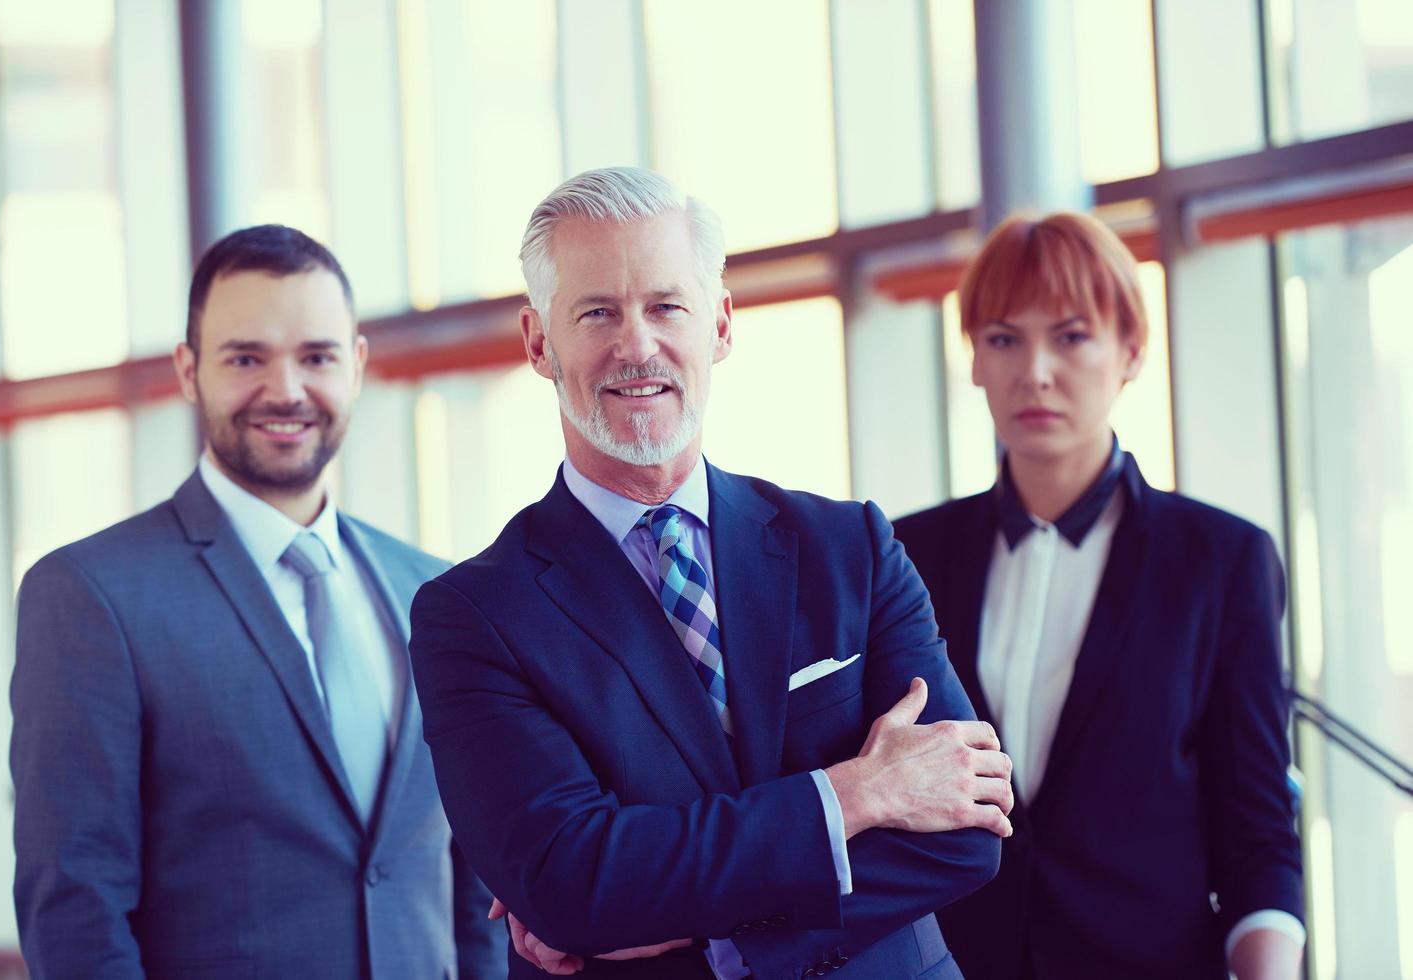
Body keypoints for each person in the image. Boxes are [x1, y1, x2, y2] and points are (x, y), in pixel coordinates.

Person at [408, 167, 1010, 980]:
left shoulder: (850, 548)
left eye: (665, 306)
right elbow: (571, 883)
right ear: (538, 343)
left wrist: (720, 936)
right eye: (596, 312)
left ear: (719, 324)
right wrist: (855, 795)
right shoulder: (475, 614)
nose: (636, 345)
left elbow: (966, 832)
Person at [10, 225, 505, 979]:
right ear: (188, 371)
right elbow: (75, 908)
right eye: (246, 358)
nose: (285, 390)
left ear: (357, 366)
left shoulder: (432, 592)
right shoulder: (92, 595)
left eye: (316, 357)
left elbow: (476, 888)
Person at [891, 212, 1305, 980]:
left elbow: (1256, 828)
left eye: (1072, 336)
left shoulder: (1219, 560)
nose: (1035, 371)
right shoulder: (902, 553)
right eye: (1004, 338)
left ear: (1131, 351)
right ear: (974, 359)